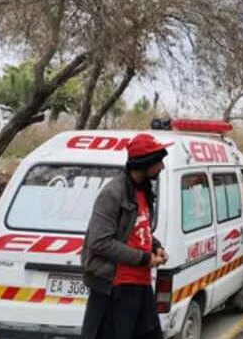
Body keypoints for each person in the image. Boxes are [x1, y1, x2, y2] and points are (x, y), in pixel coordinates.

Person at [81, 133, 171, 339]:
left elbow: (139, 228)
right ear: (145, 163)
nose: (162, 167)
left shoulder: (144, 191)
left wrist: (156, 247)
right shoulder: (112, 193)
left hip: (141, 284)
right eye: (158, 162)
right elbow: (99, 242)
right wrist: (145, 258)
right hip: (116, 288)